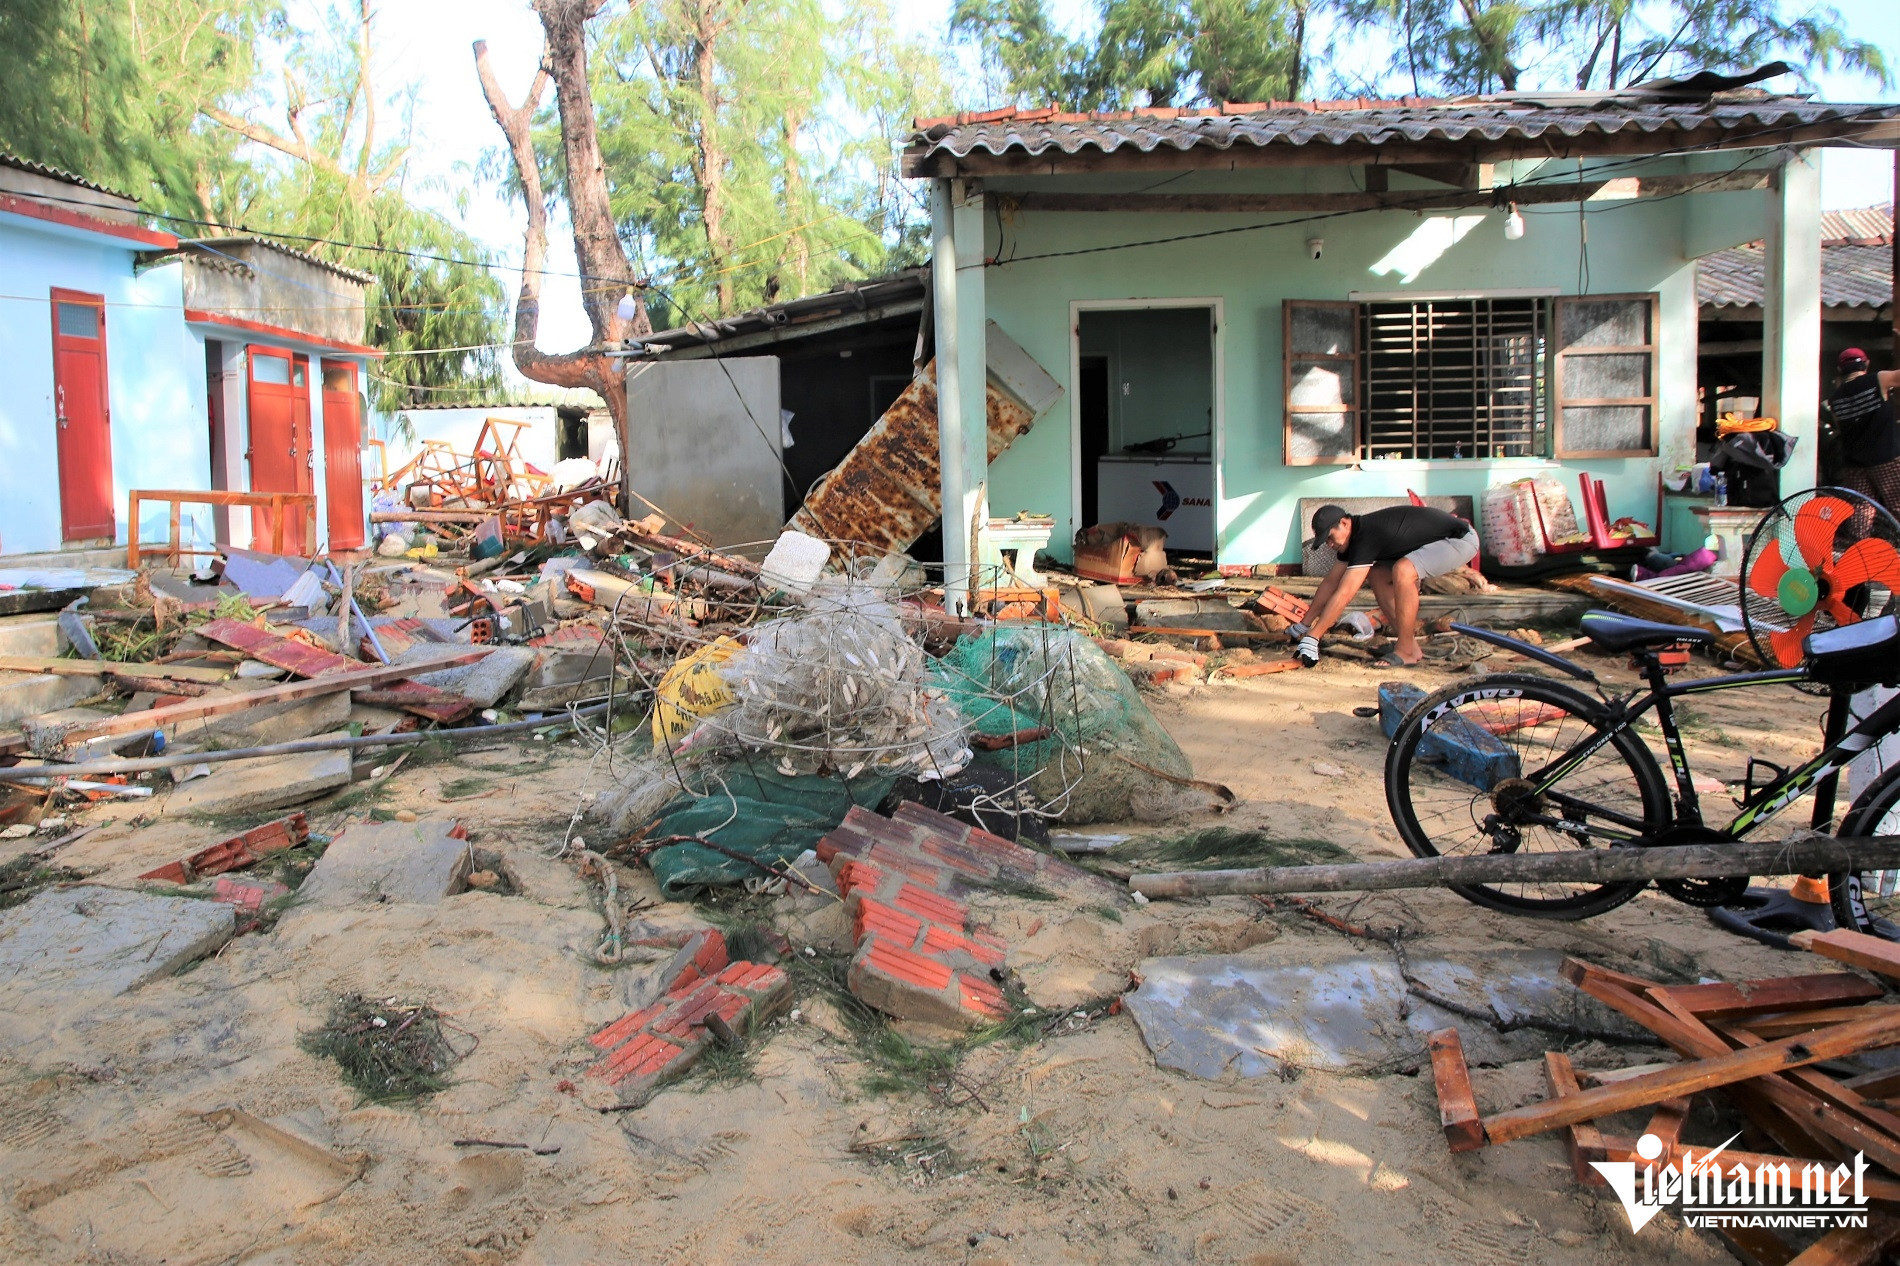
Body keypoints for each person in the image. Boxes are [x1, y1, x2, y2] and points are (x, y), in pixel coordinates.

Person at [1290, 504, 1479, 668]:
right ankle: (1411, 647)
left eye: (1330, 538)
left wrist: (1314, 636)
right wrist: (1304, 625)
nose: (1330, 545)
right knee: (1378, 575)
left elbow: (1345, 593)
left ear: (1345, 523)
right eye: (1326, 542)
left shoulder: (1366, 537)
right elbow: (1331, 583)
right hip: (1438, 541)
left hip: (1460, 539)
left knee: (1404, 570)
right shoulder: (1352, 540)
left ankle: (1406, 651)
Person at [1828, 347, 1900, 517]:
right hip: (1886, 458)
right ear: (1866, 364)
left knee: (1862, 510)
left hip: (1854, 464)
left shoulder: (1834, 399)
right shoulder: (1877, 380)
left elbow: (1841, 429)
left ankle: (1859, 544)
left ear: (1839, 369)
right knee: (1898, 505)